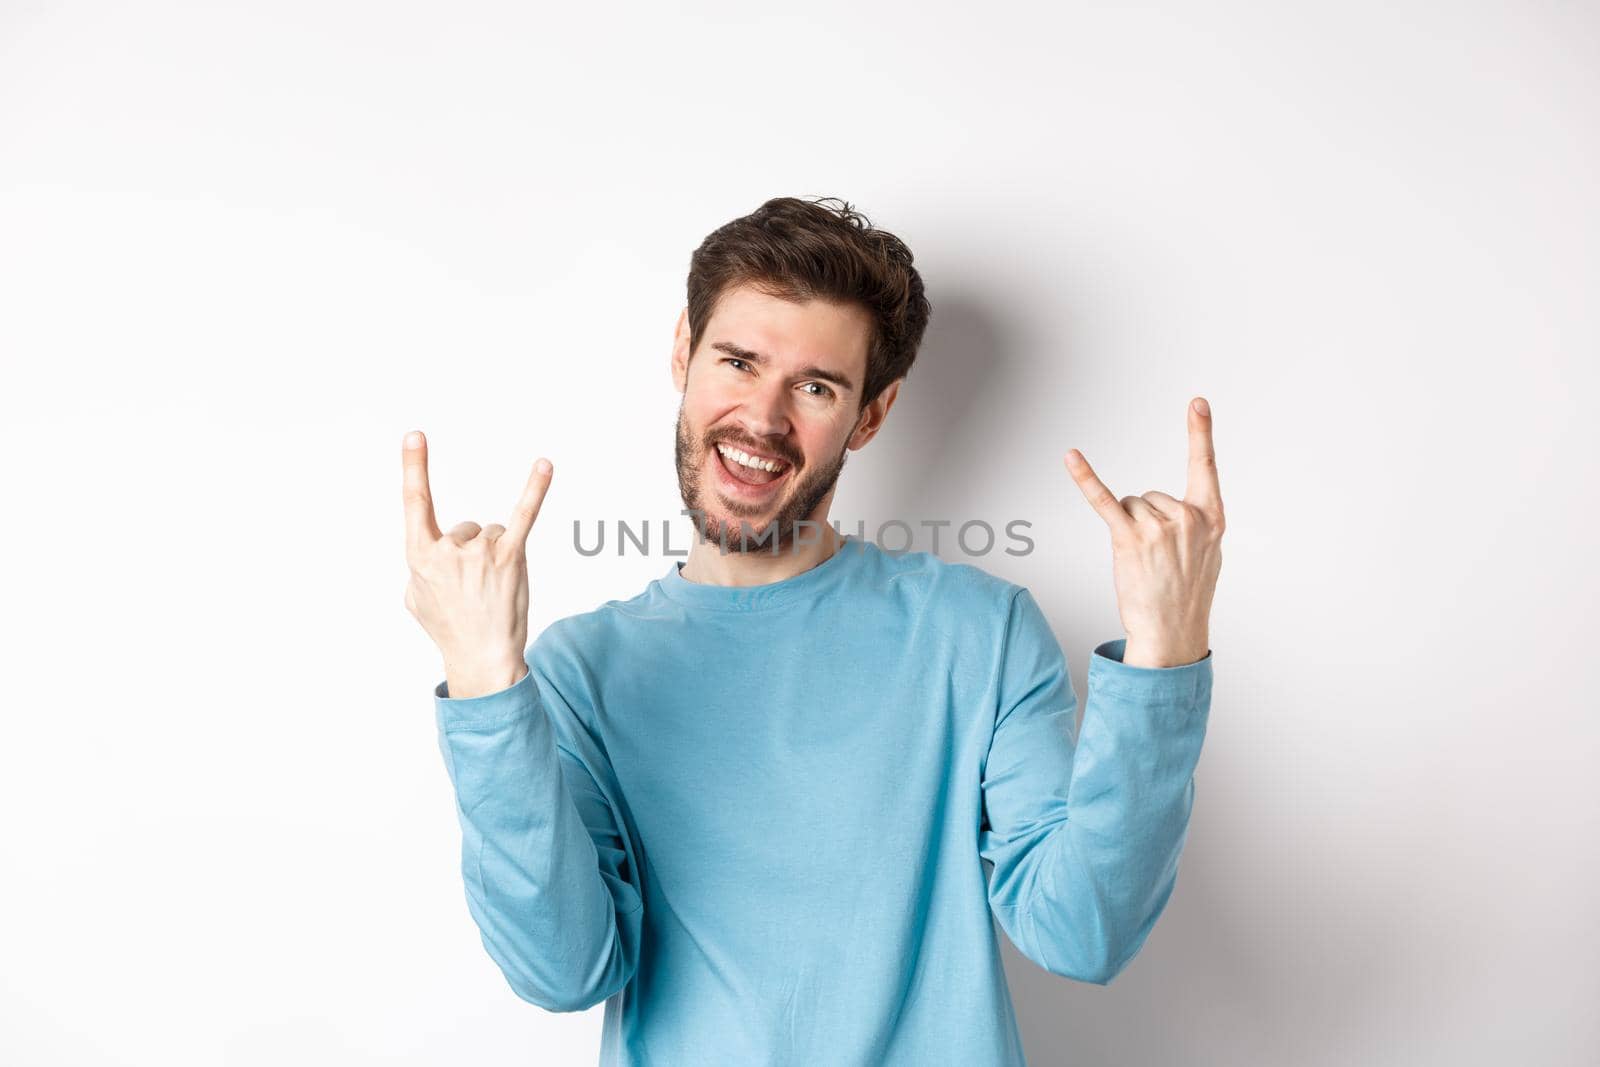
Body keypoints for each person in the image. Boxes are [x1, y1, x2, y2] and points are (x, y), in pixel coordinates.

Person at [401, 196, 1224, 1065]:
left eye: (816, 386)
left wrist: (1166, 655)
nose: (762, 417)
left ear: (870, 414)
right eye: (738, 361)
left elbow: (1082, 932)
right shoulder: (582, 670)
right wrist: (486, 678)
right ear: (684, 352)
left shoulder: (980, 634)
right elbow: (564, 970)